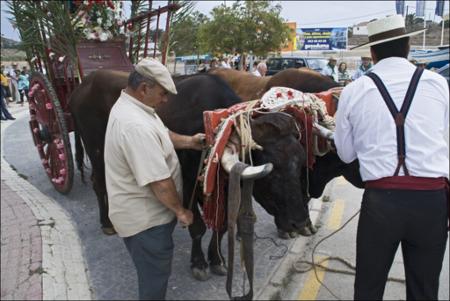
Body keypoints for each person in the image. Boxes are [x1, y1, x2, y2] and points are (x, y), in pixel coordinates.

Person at [334, 15, 449, 300]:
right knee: (424, 290)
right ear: (409, 46)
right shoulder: (438, 84)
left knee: (368, 289)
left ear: (372, 53)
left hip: (381, 202)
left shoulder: (354, 90)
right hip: (432, 202)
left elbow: (346, 154)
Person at [104, 58, 206, 300]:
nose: (166, 100)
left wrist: (190, 141)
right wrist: (181, 212)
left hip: (146, 214)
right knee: (154, 281)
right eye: (163, 94)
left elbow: (163, 134)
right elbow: (159, 182)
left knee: (153, 273)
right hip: (146, 222)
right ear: (144, 89)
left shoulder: (139, 109)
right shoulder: (135, 125)